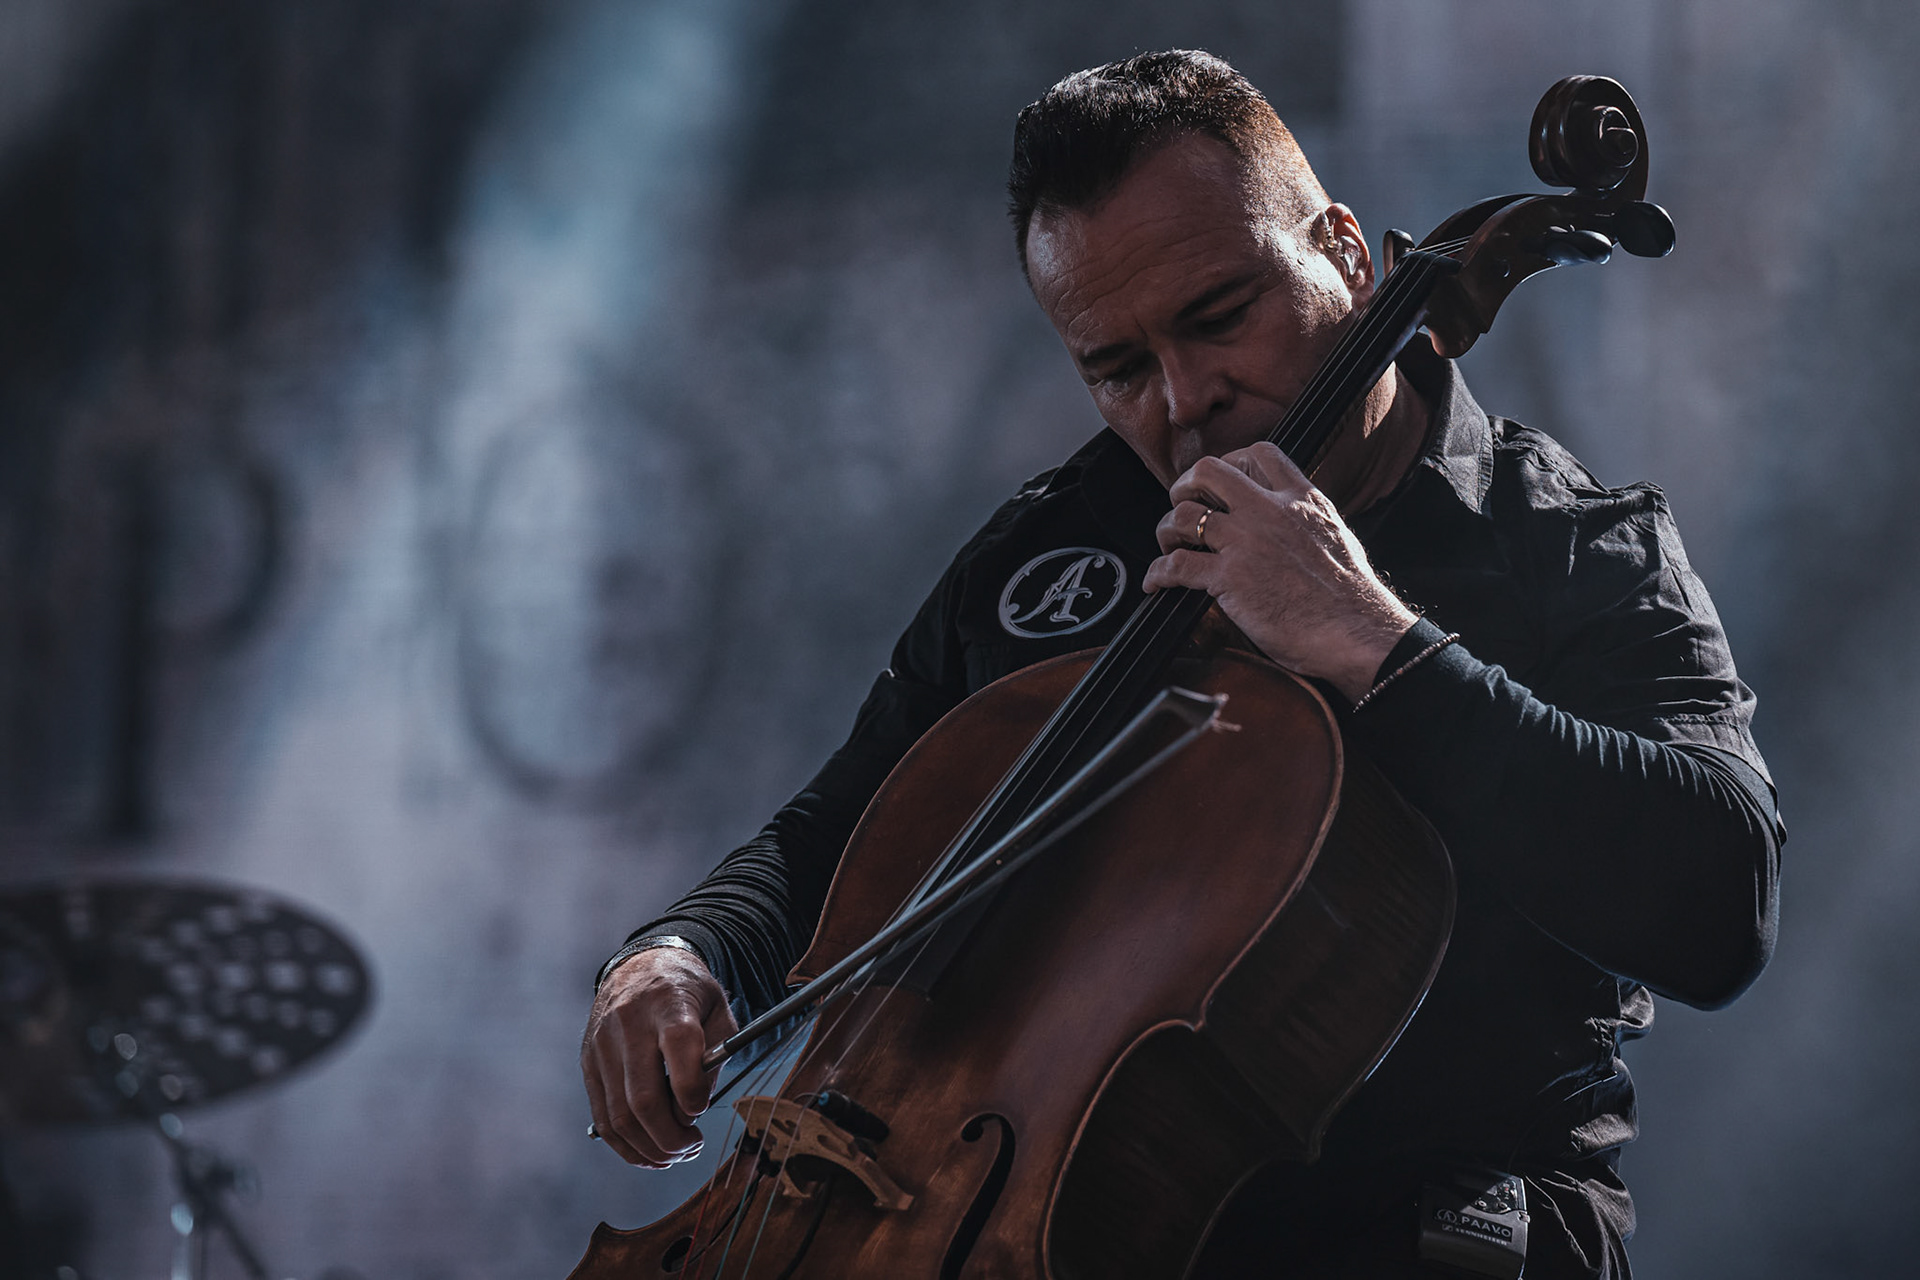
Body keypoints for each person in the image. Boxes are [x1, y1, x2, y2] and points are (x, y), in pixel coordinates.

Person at [579, 50, 1781, 1278]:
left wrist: (1378, 642)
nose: (1184, 398)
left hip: (1436, 1233)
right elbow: (843, 824)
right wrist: (674, 953)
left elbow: (1721, 902)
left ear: (1348, 258)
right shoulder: (1057, 544)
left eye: (1220, 316)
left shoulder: (1569, 542)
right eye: (1115, 367)